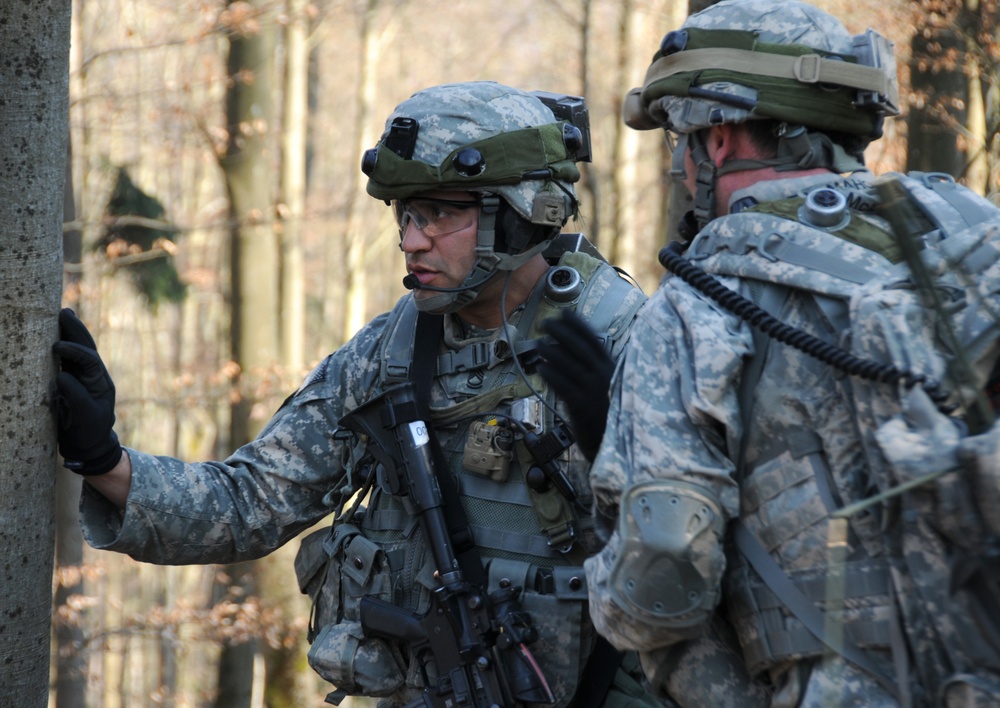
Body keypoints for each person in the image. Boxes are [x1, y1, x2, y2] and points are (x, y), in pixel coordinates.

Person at [54, 80, 664, 708]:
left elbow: (693, 558)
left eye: (440, 214)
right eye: (405, 214)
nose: (411, 240)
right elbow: (249, 503)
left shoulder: (628, 342)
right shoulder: (390, 354)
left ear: (519, 213)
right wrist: (104, 459)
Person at [581, 1, 1000, 707]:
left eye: (678, 142)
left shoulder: (696, 305)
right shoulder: (976, 243)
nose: (680, 170)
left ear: (718, 139)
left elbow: (661, 583)